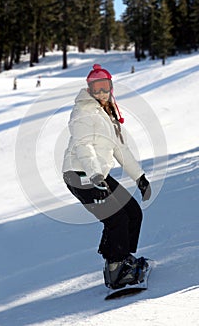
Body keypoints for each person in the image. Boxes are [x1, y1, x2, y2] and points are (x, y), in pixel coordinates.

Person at [62, 64, 151, 289]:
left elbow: (120, 149)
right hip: (81, 175)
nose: (101, 92)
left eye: (105, 87)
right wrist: (94, 176)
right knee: (116, 219)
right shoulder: (83, 112)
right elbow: (84, 148)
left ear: (111, 87)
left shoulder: (106, 113)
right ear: (90, 90)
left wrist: (139, 177)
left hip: (97, 174)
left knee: (132, 212)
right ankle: (115, 270)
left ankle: (122, 260)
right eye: (96, 88)